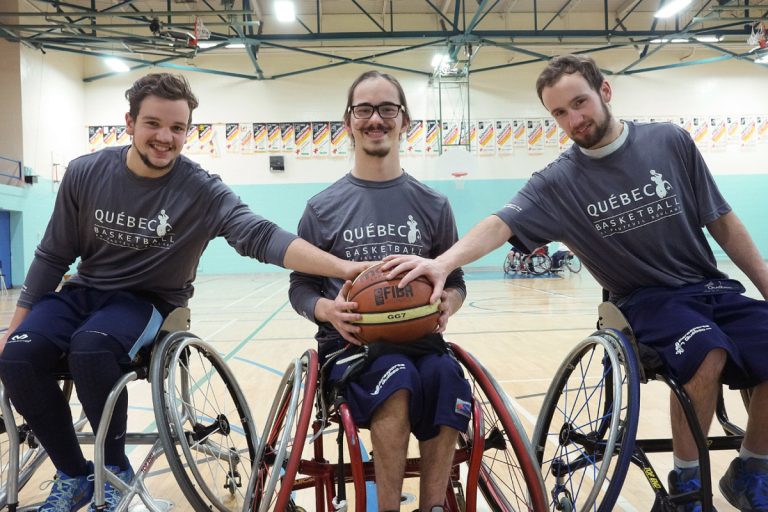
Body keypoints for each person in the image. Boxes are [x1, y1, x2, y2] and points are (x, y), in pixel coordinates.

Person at [384, 54, 768, 512]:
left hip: (709, 287)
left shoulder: (670, 141)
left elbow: (720, 219)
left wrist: (764, 282)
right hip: (644, 302)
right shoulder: (557, 182)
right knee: (707, 351)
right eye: (559, 113)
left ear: (605, 92)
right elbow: (500, 223)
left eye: (579, 103)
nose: (573, 120)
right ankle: (687, 485)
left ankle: (750, 468)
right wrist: (443, 263)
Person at [0, 73, 367, 512]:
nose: (165, 137)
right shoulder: (85, 172)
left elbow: (261, 235)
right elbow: (52, 255)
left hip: (148, 302)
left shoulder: (200, 190)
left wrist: (344, 267)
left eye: (177, 128)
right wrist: (16, 325)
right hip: (83, 292)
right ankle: (74, 474)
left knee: (91, 349)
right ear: (129, 122)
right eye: (153, 124)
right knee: (16, 355)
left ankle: (114, 470)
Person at [288, 70, 470, 512]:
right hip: (352, 345)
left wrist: (450, 301)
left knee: (447, 377)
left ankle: (433, 507)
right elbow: (301, 287)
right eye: (364, 110)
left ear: (404, 121)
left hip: (423, 340)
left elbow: (457, 281)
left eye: (387, 109)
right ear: (348, 121)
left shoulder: (433, 204)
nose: (376, 119)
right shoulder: (322, 207)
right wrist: (326, 310)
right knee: (397, 377)